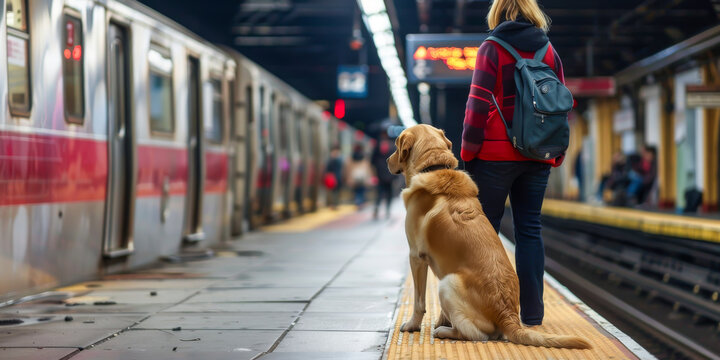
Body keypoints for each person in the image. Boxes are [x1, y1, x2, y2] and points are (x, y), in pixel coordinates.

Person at [460, 0, 565, 327]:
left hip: (493, 156)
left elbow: (477, 104)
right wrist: (555, 151)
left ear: (498, 11)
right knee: (530, 231)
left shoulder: (491, 48)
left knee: (484, 234)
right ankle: (532, 314)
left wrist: (468, 151)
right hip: (536, 155)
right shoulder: (548, 51)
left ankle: (486, 310)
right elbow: (559, 106)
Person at [371, 131, 396, 219]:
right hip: (389, 173)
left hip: (380, 173)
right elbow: (395, 161)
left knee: (379, 192)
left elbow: (372, 160)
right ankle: (387, 210)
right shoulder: (392, 145)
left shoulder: (377, 145)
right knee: (389, 192)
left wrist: (375, 170)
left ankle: (377, 208)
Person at [344, 144, 372, 208]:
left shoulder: (351, 158)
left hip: (353, 178)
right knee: (362, 190)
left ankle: (358, 201)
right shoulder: (364, 157)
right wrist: (369, 178)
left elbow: (347, 169)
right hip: (363, 177)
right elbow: (368, 168)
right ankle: (360, 201)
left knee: (356, 190)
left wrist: (347, 178)